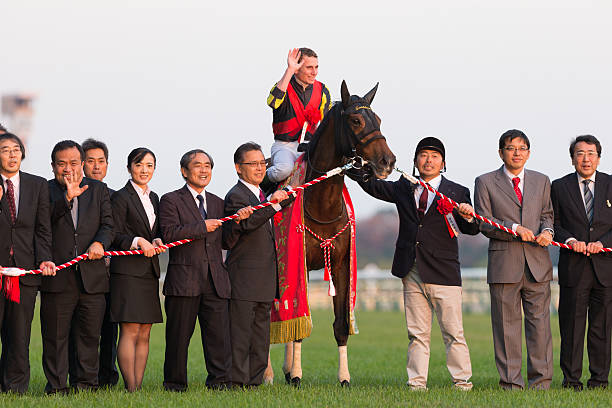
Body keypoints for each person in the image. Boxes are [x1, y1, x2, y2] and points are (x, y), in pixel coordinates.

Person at [349, 137, 478, 390]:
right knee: (417, 333)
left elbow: (470, 230)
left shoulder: (457, 192)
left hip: (444, 271)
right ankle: (416, 383)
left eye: (434, 156)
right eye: (423, 155)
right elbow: (374, 186)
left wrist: (468, 217)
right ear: (416, 160)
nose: (428, 160)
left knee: (453, 332)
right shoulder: (404, 186)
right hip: (411, 268)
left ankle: (462, 382)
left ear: (443, 163)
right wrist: (355, 167)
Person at [159, 149, 251, 391]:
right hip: (183, 281)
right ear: (184, 171)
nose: (203, 170)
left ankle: (220, 382)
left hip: (216, 282)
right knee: (178, 339)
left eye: (208, 165)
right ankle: (175, 385)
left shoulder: (219, 203)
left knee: (219, 338)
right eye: (197, 165)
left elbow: (225, 242)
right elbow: (168, 235)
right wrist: (201, 226)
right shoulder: (170, 200)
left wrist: (237, 223)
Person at [474, 129, 554, 390]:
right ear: (501, 153)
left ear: (529, 153)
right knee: (506, 329)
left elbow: (547, 214)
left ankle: (541, 383)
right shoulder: (484, 182)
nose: (517, 153)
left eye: (522, 148)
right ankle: (511, 384)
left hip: (537, 265)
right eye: (511, 148)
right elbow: (483, 222)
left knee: (540, 328)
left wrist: (547, 231)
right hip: (503, 265)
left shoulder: (542, 181)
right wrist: (513, 227)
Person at [41, 140, 114, 394]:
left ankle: (86, 385)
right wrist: (67, 198)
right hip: (57, 277)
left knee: (89, 336)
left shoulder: (98, 190)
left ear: (82, 164)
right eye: (62, 164)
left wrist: (99, 243)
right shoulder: (45, 190)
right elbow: (42, 227)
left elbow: (108, 225)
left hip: (92, 277)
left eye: (74, 163)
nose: (68, 169)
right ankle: (57, 387)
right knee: (56, 337)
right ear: (53, 167)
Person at [223, 142, 293, 387]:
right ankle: (237, 382)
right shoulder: (236, 195)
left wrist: (283, 199)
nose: (260, 168)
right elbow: (247, 224)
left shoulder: (261, 194)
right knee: (240, 335)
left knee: (261, 336)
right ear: (238, 168)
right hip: (243, 279)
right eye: (252, 164)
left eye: (263, 163)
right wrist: (274, 204)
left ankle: (253, 382)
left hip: (264, 279)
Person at [551, 135, 612, 390]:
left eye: (590, 153)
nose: (585, 159)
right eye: (580, 153)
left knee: (602, 329)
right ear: (572, 158)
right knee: (572, 328)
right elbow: (553, 223)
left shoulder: (610, 184)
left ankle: (599, 381)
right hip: (573, 267)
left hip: (605, 269)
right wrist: (571, 239)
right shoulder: (559, 186)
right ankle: (571, 381)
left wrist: (603, 242)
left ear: (599, 156)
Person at [0, 132, 55, 394]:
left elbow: (43, 229)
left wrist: (45, 258)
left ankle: (16, 388)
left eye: (16, 150)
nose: (12, 155)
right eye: (5, 150)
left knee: (19, 334)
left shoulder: (38, 185)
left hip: (25, 272)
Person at [110, 148, 166, 392]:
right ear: (129, 167)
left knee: (145, 331)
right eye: (139, 165)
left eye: (149, 165)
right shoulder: (120, 197)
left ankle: (138, 388)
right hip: (128, 273)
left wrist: (154, 240)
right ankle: (131, 388)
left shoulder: (154, 198)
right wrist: (136, 240)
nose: (145, 170)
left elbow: (152, 232)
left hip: (148, 272)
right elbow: (114, 233)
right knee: (130, 329)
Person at [80, 138, 119, 388]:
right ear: (82, 164)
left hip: (113, 275)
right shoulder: (75, 195)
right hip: (83, 274)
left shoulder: (116, 196)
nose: (96, 166)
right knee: (83, 332)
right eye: (91, 161)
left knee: (109, 330)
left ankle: (107, 378)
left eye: (101, 161)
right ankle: (83, 377)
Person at [266, 48, 332, 183]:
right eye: (309, 67)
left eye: (316, 67)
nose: (314, 72)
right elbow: (272, 102)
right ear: (297, 69)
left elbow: (327, 123)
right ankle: (262, 181)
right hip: (285, 145)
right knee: (284, 170)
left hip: (309, 145)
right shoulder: (283, 86)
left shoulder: (323, 91)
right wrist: (289, 70)